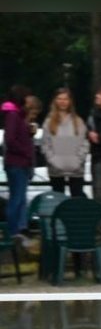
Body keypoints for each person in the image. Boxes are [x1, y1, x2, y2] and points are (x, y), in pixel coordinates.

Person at [2, 84, 35, 245]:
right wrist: (25, 151)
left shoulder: (17, 116)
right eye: (28, 96)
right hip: (17, 163)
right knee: (16, 198)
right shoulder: (13, 116)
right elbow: (10, 140)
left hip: (19, 163)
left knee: (19, 198)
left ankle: (16, 231)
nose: (30, 100)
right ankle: (13, 231)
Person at [41, 87, 89, 197]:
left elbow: (84, 143)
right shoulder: (48, 122)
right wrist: (52, 159)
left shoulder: (78, 121)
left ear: (70, 101)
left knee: (77, 198)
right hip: (55, 169)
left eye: (65, 99)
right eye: (59, 98)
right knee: (58, 198)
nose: (62, 102)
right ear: (55, 100)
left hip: (76, 168)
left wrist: (78, 160)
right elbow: (45, 144)